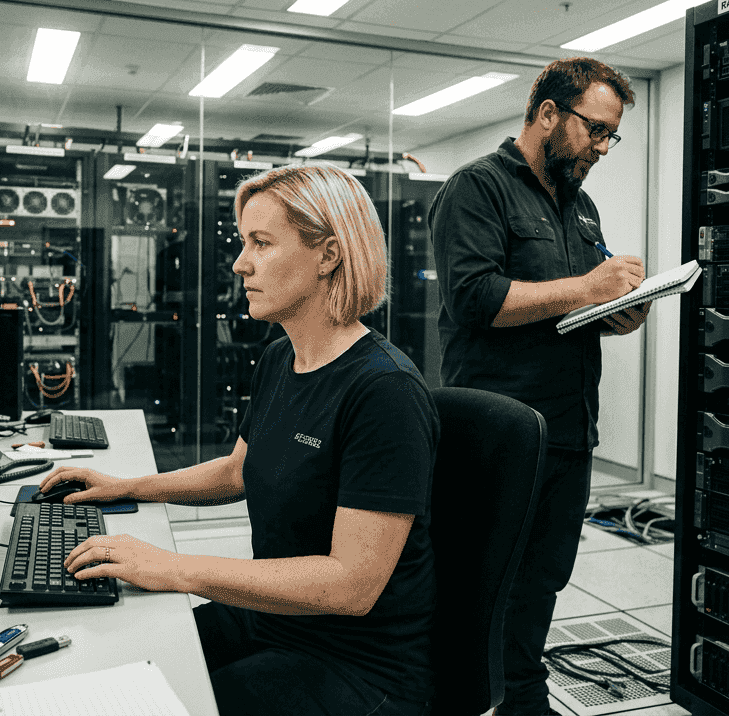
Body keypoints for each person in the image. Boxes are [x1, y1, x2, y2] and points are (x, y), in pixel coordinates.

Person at [39, 164, 439, 716]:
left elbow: (351, 584)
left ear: (328, 255)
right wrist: (125, 486)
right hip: (273, 620)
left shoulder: (385, 390)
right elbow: (236, 472)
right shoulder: (281, 357)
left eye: (261, 243)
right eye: (244, 241)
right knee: (114, 662)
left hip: (357, 664)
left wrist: (172, 567)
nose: (239, 262)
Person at [427, 57, 646, 716]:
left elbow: (573, 305)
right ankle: (466, 698)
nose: (602, 147)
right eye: (595, 129)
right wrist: (587, 288)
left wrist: (620, 310)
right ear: (548, 113)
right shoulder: (476, 189)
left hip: (569, 427)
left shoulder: (581, 207)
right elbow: (474, 298)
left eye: (611, 135)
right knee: (482, 580)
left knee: (543, 577)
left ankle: (522, 697)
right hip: (498, 433)